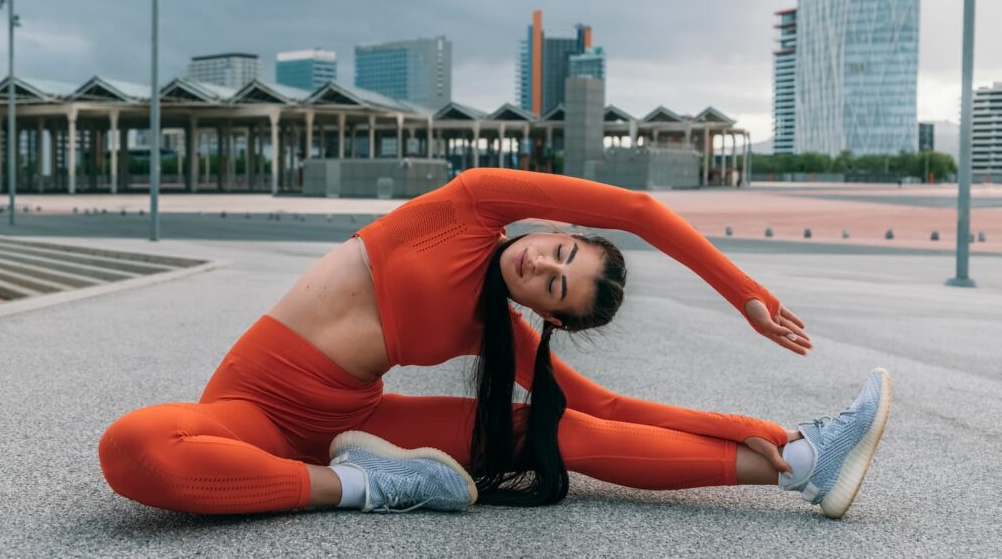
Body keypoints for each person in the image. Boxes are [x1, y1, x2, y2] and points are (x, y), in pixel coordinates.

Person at [98, 168, 891, 518]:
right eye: (563, 253)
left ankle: (804, 464)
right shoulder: (471, 203)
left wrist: (760, 429)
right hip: (253, 413)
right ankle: (367, 487)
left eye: (555, 286)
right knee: (133, 448)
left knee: (563, 432)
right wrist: (743, 294)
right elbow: (640, 209)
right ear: (556, 229)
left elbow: (607, 407)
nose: (544, 263)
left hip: (361, 423)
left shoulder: (496, 325)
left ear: (549, 315)